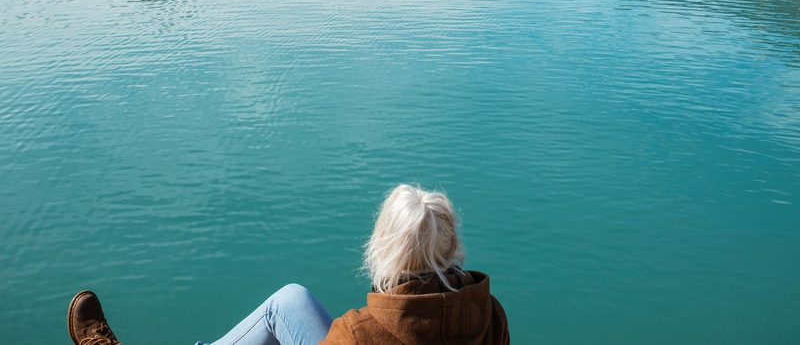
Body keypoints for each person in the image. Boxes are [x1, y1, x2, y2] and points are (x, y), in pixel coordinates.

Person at [67, 184, 510, 344]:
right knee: (289, 301)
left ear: (383, 249)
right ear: (452, 247)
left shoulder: (358, 334)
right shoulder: (490, 315)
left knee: (286, 303)